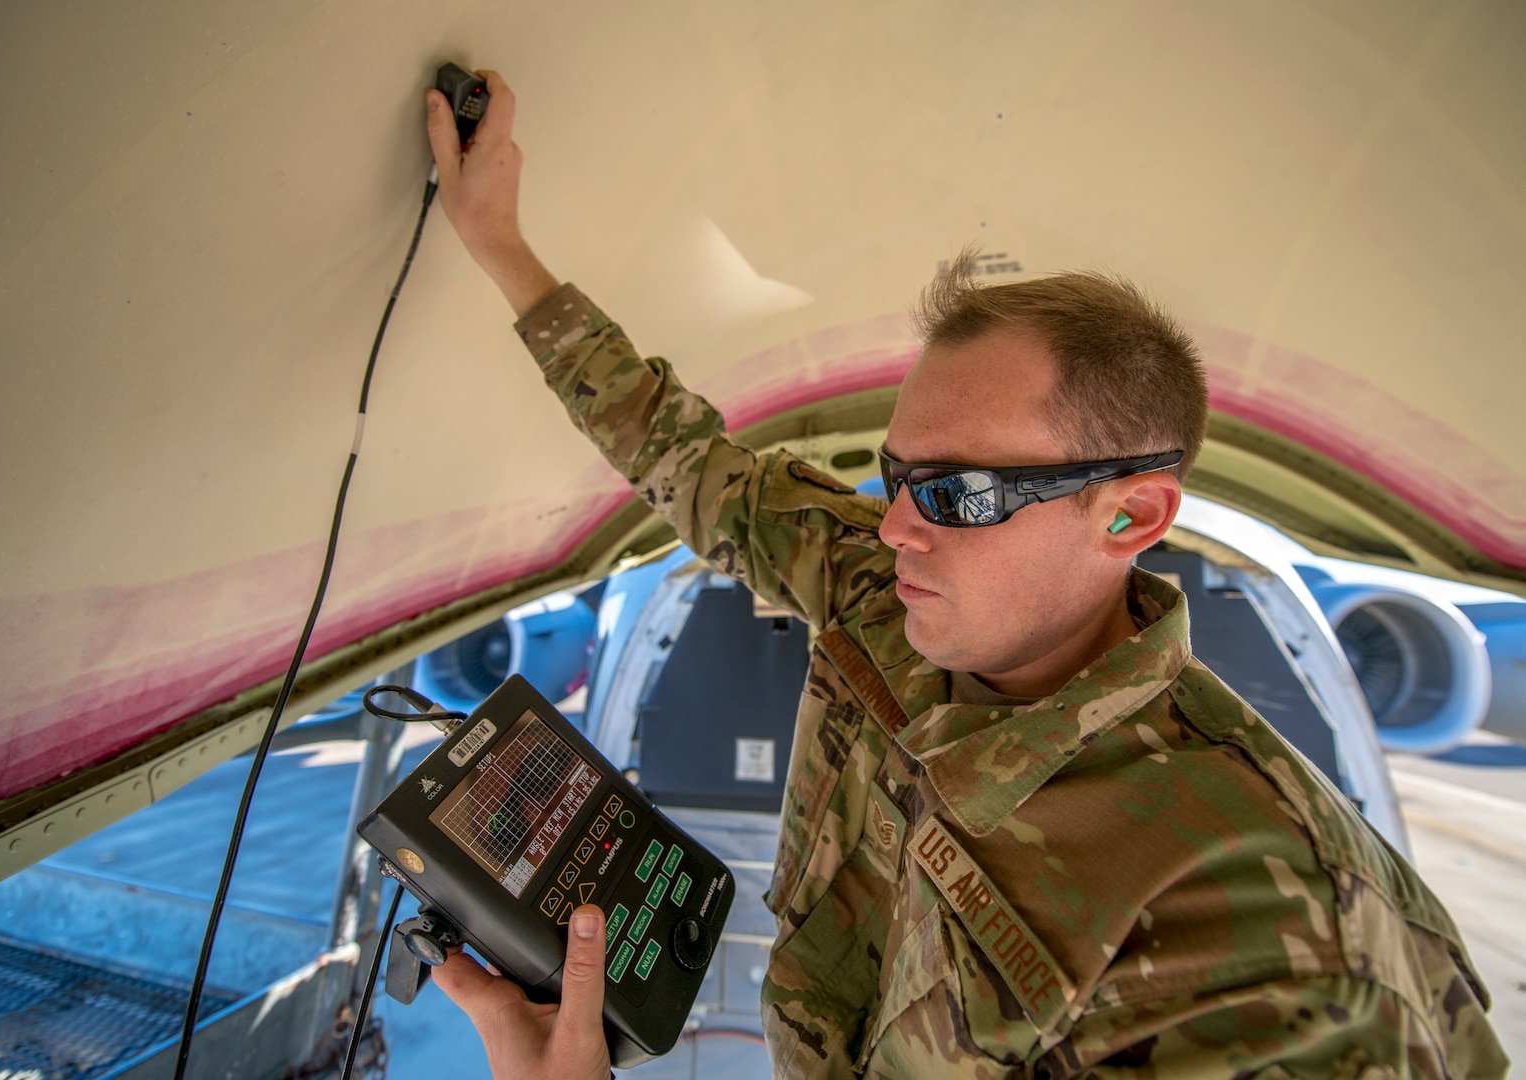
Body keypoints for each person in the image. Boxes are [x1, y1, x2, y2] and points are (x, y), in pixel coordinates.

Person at [420, 73, 1508, 1079]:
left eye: (958, 493)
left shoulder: (1268, 943)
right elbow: (687, 460)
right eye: (895, 476)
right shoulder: (882, 596)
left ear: (1129, 512)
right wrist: (502, 246)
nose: (892, 527)